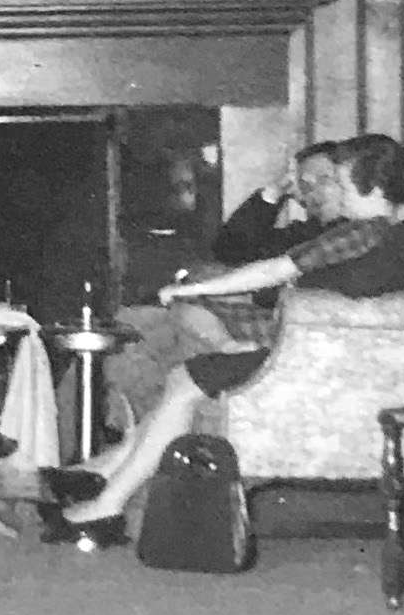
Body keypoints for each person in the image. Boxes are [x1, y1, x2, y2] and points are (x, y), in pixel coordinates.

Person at [58, 132, 404, 532]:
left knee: (187, 377)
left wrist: (272, 298)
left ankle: (109, 501)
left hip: (329, 363)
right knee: (182, 353)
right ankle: (107, 478)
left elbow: (346, 285)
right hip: (359, 359)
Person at [94, 138, 373, 434]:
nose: (313, 191)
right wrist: (272, 193)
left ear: (350, 181)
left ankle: (155, 434)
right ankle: (128, 432)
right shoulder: (304, 233)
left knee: (165, 321)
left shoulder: (352, 236)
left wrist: (226, 291)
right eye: (305, 184)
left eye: (325, 180)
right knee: (127, 325)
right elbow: (229, 247)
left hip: (269, 323)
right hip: (234, 312)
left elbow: (285, 282)